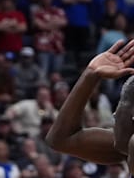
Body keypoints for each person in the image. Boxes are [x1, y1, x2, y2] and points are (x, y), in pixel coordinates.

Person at [46, 39, 134, 171]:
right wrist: (90, 75)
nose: (114, 115)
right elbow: (61, 140)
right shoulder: (124, 143)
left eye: (119, 110)